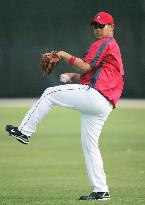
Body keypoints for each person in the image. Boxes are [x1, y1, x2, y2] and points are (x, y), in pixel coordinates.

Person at [6, 11, 124, 201]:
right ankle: (101, 190)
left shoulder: (106, 43)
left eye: (101, 26)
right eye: (95, 26)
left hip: (97, 97)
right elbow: (94, 74)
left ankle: (24, 131)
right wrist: (72, 76)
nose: (97, 29)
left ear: (112, 27)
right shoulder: (111, 48)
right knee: (90, 146)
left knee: (50, 93)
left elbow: (86, 66)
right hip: (104, 103)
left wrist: (62, 54)